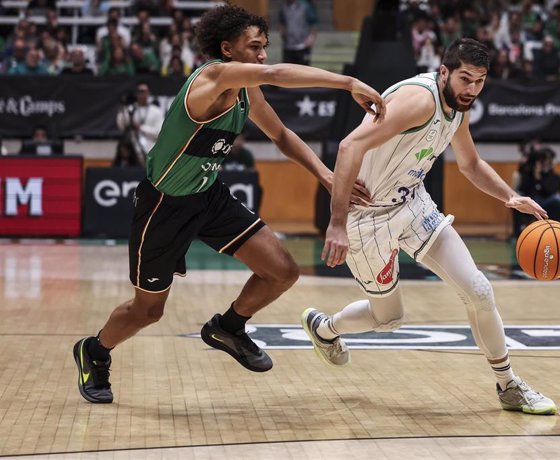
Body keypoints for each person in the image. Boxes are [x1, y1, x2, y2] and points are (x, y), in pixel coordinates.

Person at [72, 3, 385, 404]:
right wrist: (348, 82)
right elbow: (275, 74)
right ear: (227, 49)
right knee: (148, 312)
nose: (262, 54)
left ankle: (229, 326)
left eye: (264, 46)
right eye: (254, 46)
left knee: (282, 271)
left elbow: (282, 135)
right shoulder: (213, 77)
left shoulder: (244, 92)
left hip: (208, 196)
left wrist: (325, 175)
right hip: (163, 205)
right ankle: (94, 351)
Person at [301, 38, 557, 415]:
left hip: (412, 203)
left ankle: (508, 385)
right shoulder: (419, 101)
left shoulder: (459, 108)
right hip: (367, 217)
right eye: (465, 78)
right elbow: (348, 147)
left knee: (479, 290)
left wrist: (509, 196)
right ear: (444, 73)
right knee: (388, 318)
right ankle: (325, 329)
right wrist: (336, 223)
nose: (471, 89)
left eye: (480, 80)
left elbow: (469, 165)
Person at [116, 82, 164, 156]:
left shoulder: (156, 111)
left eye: (144, 92)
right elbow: (121, 126)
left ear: (148, 93)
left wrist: (140, 128)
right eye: (139, 92)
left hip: (151, 150)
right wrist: (123, 107)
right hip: (133, 152)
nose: (142, 95)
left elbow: (159, 133)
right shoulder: (130, 109)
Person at [279, 0, 316, 65]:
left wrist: (311, 37)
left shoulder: (305, 6)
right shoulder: (283, 8)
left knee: (303, 70)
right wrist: (283, 34)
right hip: (288, 46)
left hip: (302, 45)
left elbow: (313, 23)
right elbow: (282, 23)